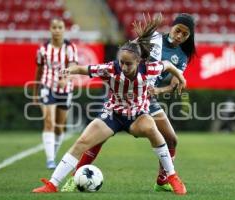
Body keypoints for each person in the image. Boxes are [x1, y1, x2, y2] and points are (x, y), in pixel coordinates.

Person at [32, 14, 187, 195]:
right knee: (82, 142)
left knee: (154, 130)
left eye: (128, 64)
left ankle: (172, 176)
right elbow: (85, 69)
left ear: (138, 61)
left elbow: (168, 64)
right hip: (113, 114)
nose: (124, 66)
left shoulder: (149, 69)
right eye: (121, 62)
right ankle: (52, 185)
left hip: (137, 116)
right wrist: (69, 70)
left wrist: (180, 76)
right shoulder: (111, 69)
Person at [33, 18, 78, 169]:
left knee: (59, 126)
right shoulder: (43, 49)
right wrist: (35, 91)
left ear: (64, 29)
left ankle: (54, 153)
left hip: (65, 89)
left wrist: (67, 78)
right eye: (54, 27)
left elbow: (73, 66)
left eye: (60, 27)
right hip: (47, 87)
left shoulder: (70, 47)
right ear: (50, 29)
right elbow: (39, 70)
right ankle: (50, 160)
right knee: (49, 122)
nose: (57, 30)